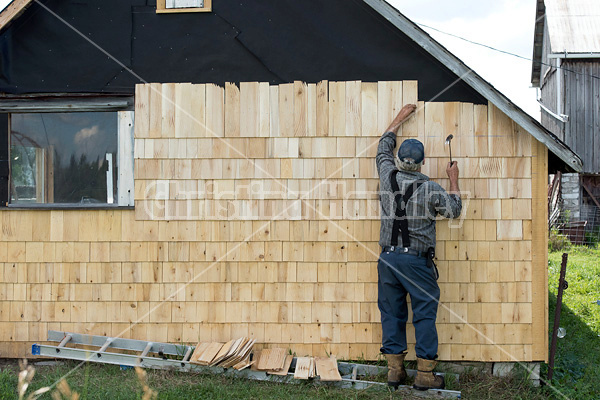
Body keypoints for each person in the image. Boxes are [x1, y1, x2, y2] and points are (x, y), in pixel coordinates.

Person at [376, 104, 462, 390]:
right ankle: (424, 375)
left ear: (399, 160)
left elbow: (382, 148)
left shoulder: (387, 175)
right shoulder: (432, 189)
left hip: (388, 260)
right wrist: (453, 180)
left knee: (392, 312)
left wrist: (399, 119)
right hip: (416, 262)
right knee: (424, 313)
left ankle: (394, 371)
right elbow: (453, 211)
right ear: (423, 163)